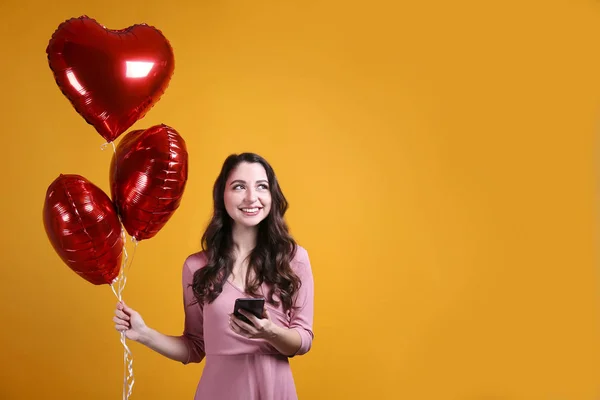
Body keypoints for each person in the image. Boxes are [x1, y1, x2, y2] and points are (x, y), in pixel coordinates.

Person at [113, 152, 315, 399]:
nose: (252, 197)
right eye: (239, 186)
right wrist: (144, 334)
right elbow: (195, 347)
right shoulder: (197, 267)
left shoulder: (294, 259)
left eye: (261, 186)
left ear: (271, 195)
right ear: (222, 195)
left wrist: (268, 332)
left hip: (275, 391)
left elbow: (303, 340)